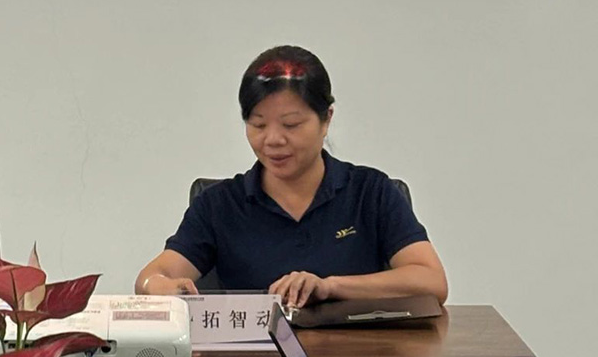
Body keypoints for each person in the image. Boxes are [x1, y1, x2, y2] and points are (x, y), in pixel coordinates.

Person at [134, 45, 448, 307]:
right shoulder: (218, 206)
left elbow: (432, 282)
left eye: (291, 124)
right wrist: (158, 285)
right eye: (258, 125)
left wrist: (330, 287)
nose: (272, 140)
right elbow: (151, 277)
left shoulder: (371, 193)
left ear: (326, 120)